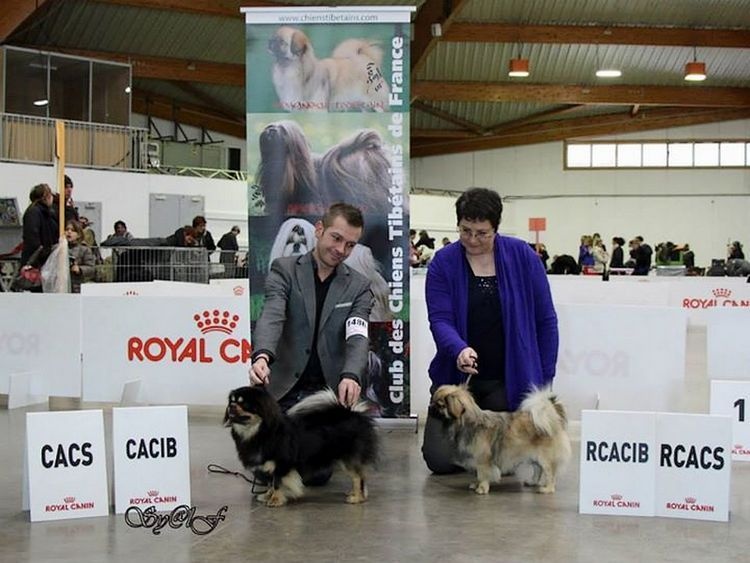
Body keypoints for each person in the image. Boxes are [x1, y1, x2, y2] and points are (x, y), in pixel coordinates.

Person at [421, 188, 559, 474]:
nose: (473, 240)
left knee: (504, 462)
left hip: (507, 381)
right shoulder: (443, 262)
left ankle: (484, 454)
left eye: (482, 233)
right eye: (465, 231)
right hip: (458, 384)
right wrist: (458, 349)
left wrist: (544, 382)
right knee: (440, 462)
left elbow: (546, 321)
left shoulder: (523, 256)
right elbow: (440, 320)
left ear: (496, 228)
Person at [249, 203, 374, 411]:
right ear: (319, 230)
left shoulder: (359, 286)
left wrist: (351, 375)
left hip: (330, 395)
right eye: (336, 238)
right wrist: (262, 356)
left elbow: (358, 336)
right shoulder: (284, 270)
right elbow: (272, 316)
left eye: (350, 245)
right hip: (282, 392)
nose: (341, 250)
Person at [21, 183, 58, 271]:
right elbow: (32, 237)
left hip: (45, 256)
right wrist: (42, 253)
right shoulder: (35, 212)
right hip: (38, 259)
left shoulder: (47, 213)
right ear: (46, 196)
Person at [64, 220, 96, 293]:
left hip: (77, 285)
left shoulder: (84, 250)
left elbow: (91, 268)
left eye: (73, 230)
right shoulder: (59, 248)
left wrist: (80, 269)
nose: (69, 232)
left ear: (78, 234)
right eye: (67, 229)